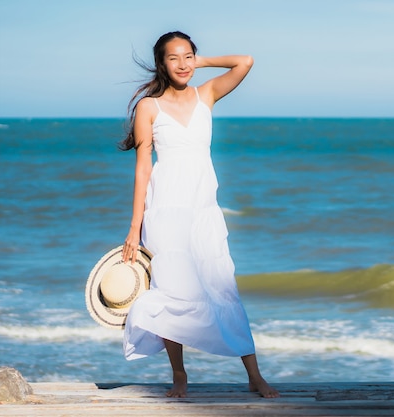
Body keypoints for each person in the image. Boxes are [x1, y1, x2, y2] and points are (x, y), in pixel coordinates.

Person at [118, 31, 279, 399]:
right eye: (173, 58)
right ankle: (179, 375)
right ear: (161, 63)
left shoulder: (206, 94)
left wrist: (197, 62)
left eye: (188, 56)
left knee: (224, 287)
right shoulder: (149, 107)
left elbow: (245, 61)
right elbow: (143, 168)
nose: (182, 64)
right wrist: (134, 228)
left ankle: (254, 376)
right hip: (165, 212)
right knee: (172, 292)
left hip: (204, 211)